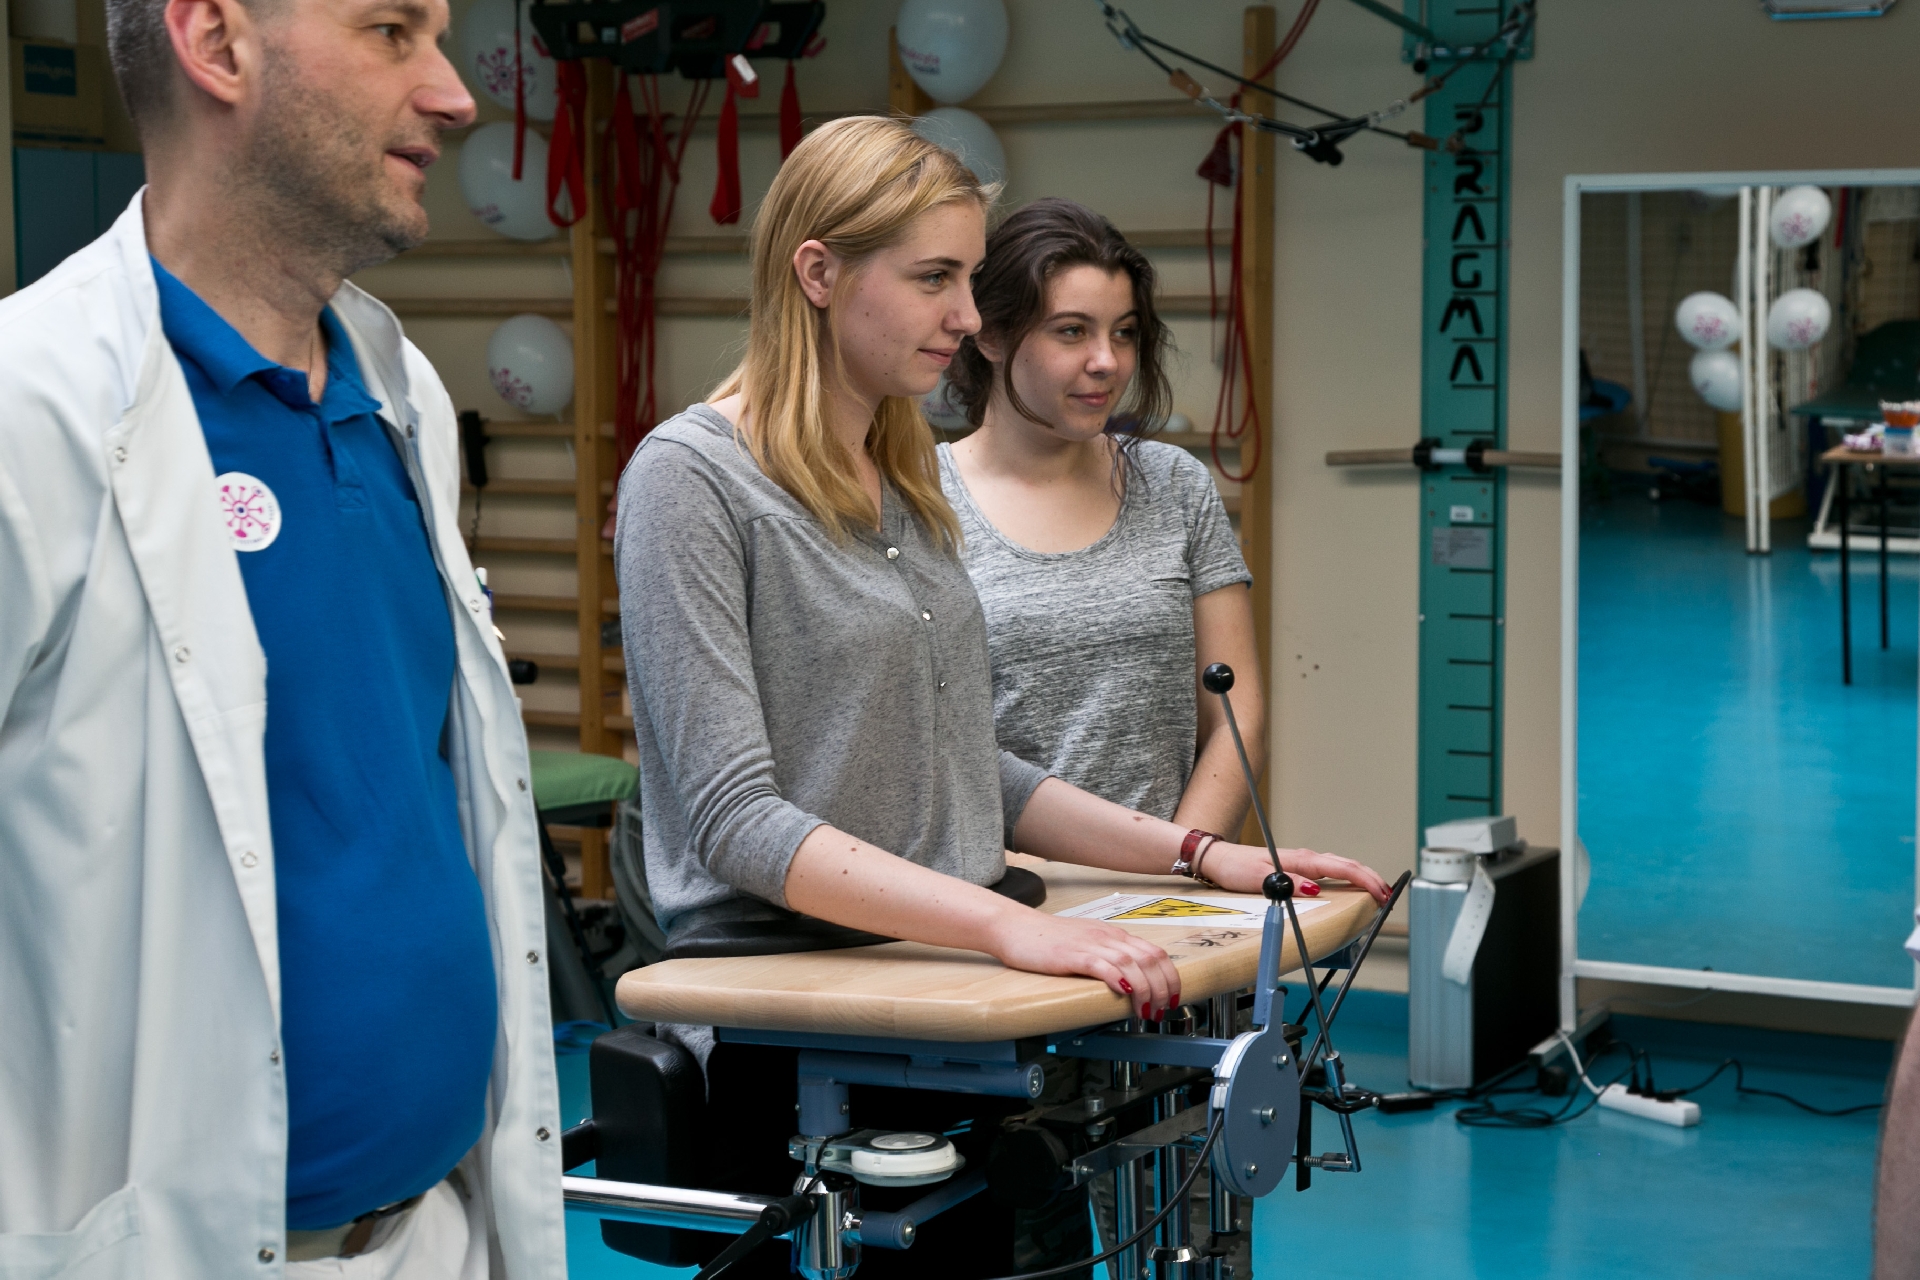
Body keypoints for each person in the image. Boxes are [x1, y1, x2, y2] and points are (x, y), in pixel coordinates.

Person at [616, 115, 1389, 1277]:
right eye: (935, 278)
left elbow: (968, 761)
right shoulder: (692, 479)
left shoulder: (900, 476)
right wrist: (1009, 925)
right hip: (799, 1019)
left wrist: (1198, 853)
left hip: (940, 992)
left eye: (970, 280)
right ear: (818, 273)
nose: (968, 316)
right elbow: (736, 818)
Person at [0, 0, 562, 1273]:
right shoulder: (34, 408)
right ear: (217, 43)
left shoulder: (399, 389)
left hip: (436, 1228)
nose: (455, 93)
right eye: (392, 31)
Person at [939, 197, 1264, 840]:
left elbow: (1237, 718)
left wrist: (1180, 866)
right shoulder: (918, 500)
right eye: (1071, 331)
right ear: (992, 334)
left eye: (1124, 332)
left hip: (1169, 881)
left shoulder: (1174, 484)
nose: (1107, 361)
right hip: (999, 887)